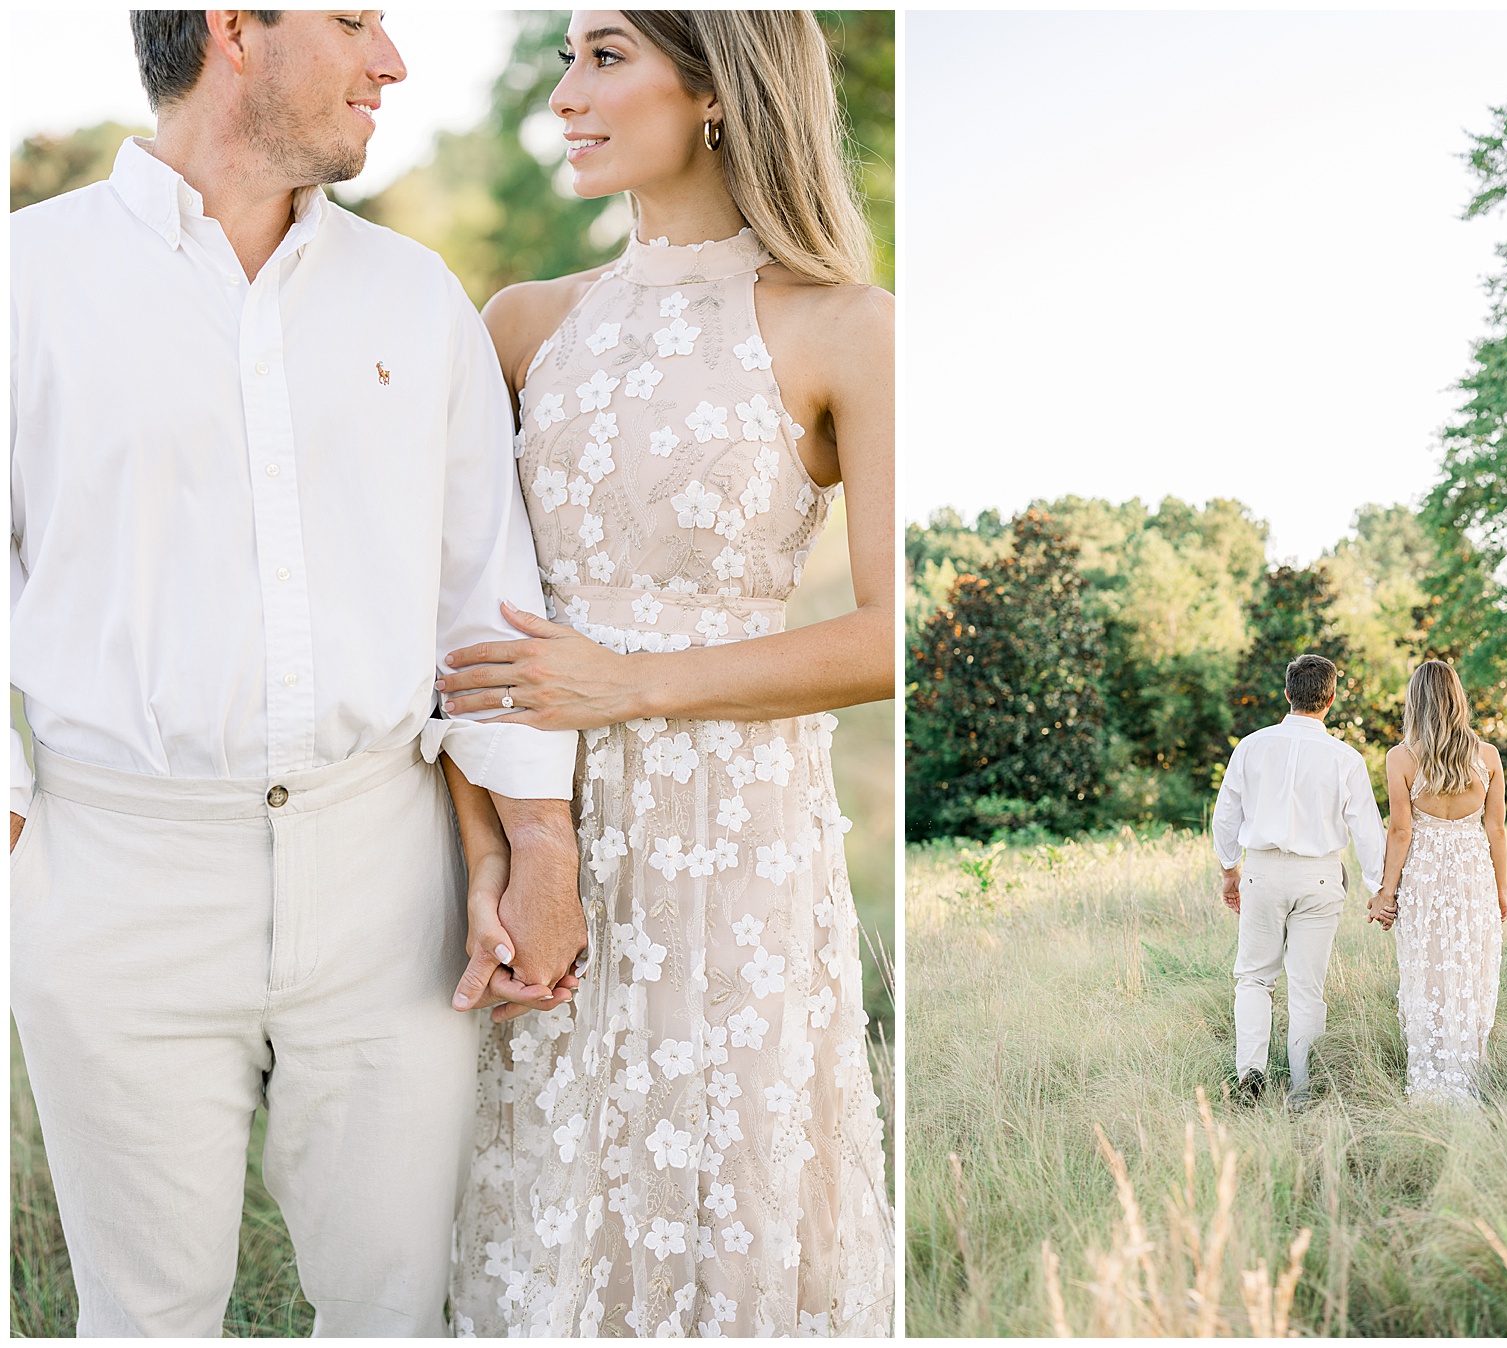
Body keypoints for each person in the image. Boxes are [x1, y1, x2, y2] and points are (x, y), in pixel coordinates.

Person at [9, 10, 585, 1335]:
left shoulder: (413, 295)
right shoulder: (25, 279)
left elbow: (481, 595)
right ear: (234, 29)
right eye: (356, 17)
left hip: (386, 875)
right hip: (115, 878)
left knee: (394, 1310)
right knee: (146, 1316)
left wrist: (538, 840)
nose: (392, 61)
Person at [440, 11, 895, 1337]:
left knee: (721, 1188)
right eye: (567, 55)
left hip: (737, 844)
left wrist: (629, 686)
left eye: (604, 56)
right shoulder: (522, 326)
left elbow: (890, 635)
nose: (564, 92)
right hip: (545, 809)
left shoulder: (845, 327)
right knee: (549, 1192)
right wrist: (494, 855)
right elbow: (453, 619)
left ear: (713, 87)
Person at [1211, 654, 1386, 1107]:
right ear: (1330, 700)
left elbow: (1225, 814)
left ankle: (1251, 1077)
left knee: (1253, 979)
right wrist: (1378, 890)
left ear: (1287, 693)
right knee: (1307, 988)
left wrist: (1230, 870)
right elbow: (1368, 830)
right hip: (1321, 877)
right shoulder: (1346, 758)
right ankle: (1303, 1092)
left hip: (1262, 871)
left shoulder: (1250, 746)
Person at [1366, 660, 1507, 1104]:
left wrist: (1386, 893)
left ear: (1416, 702)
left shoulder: (1402, 757)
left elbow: (1401, 831)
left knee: (1426, 974)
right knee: (1470, 971)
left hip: (1426, 876)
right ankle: (1468, 1077)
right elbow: (1497, 830)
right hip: (1473, 875)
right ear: (1457, 699)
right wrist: (1502, 891)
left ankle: (1431, 1084)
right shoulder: (1487, 757)